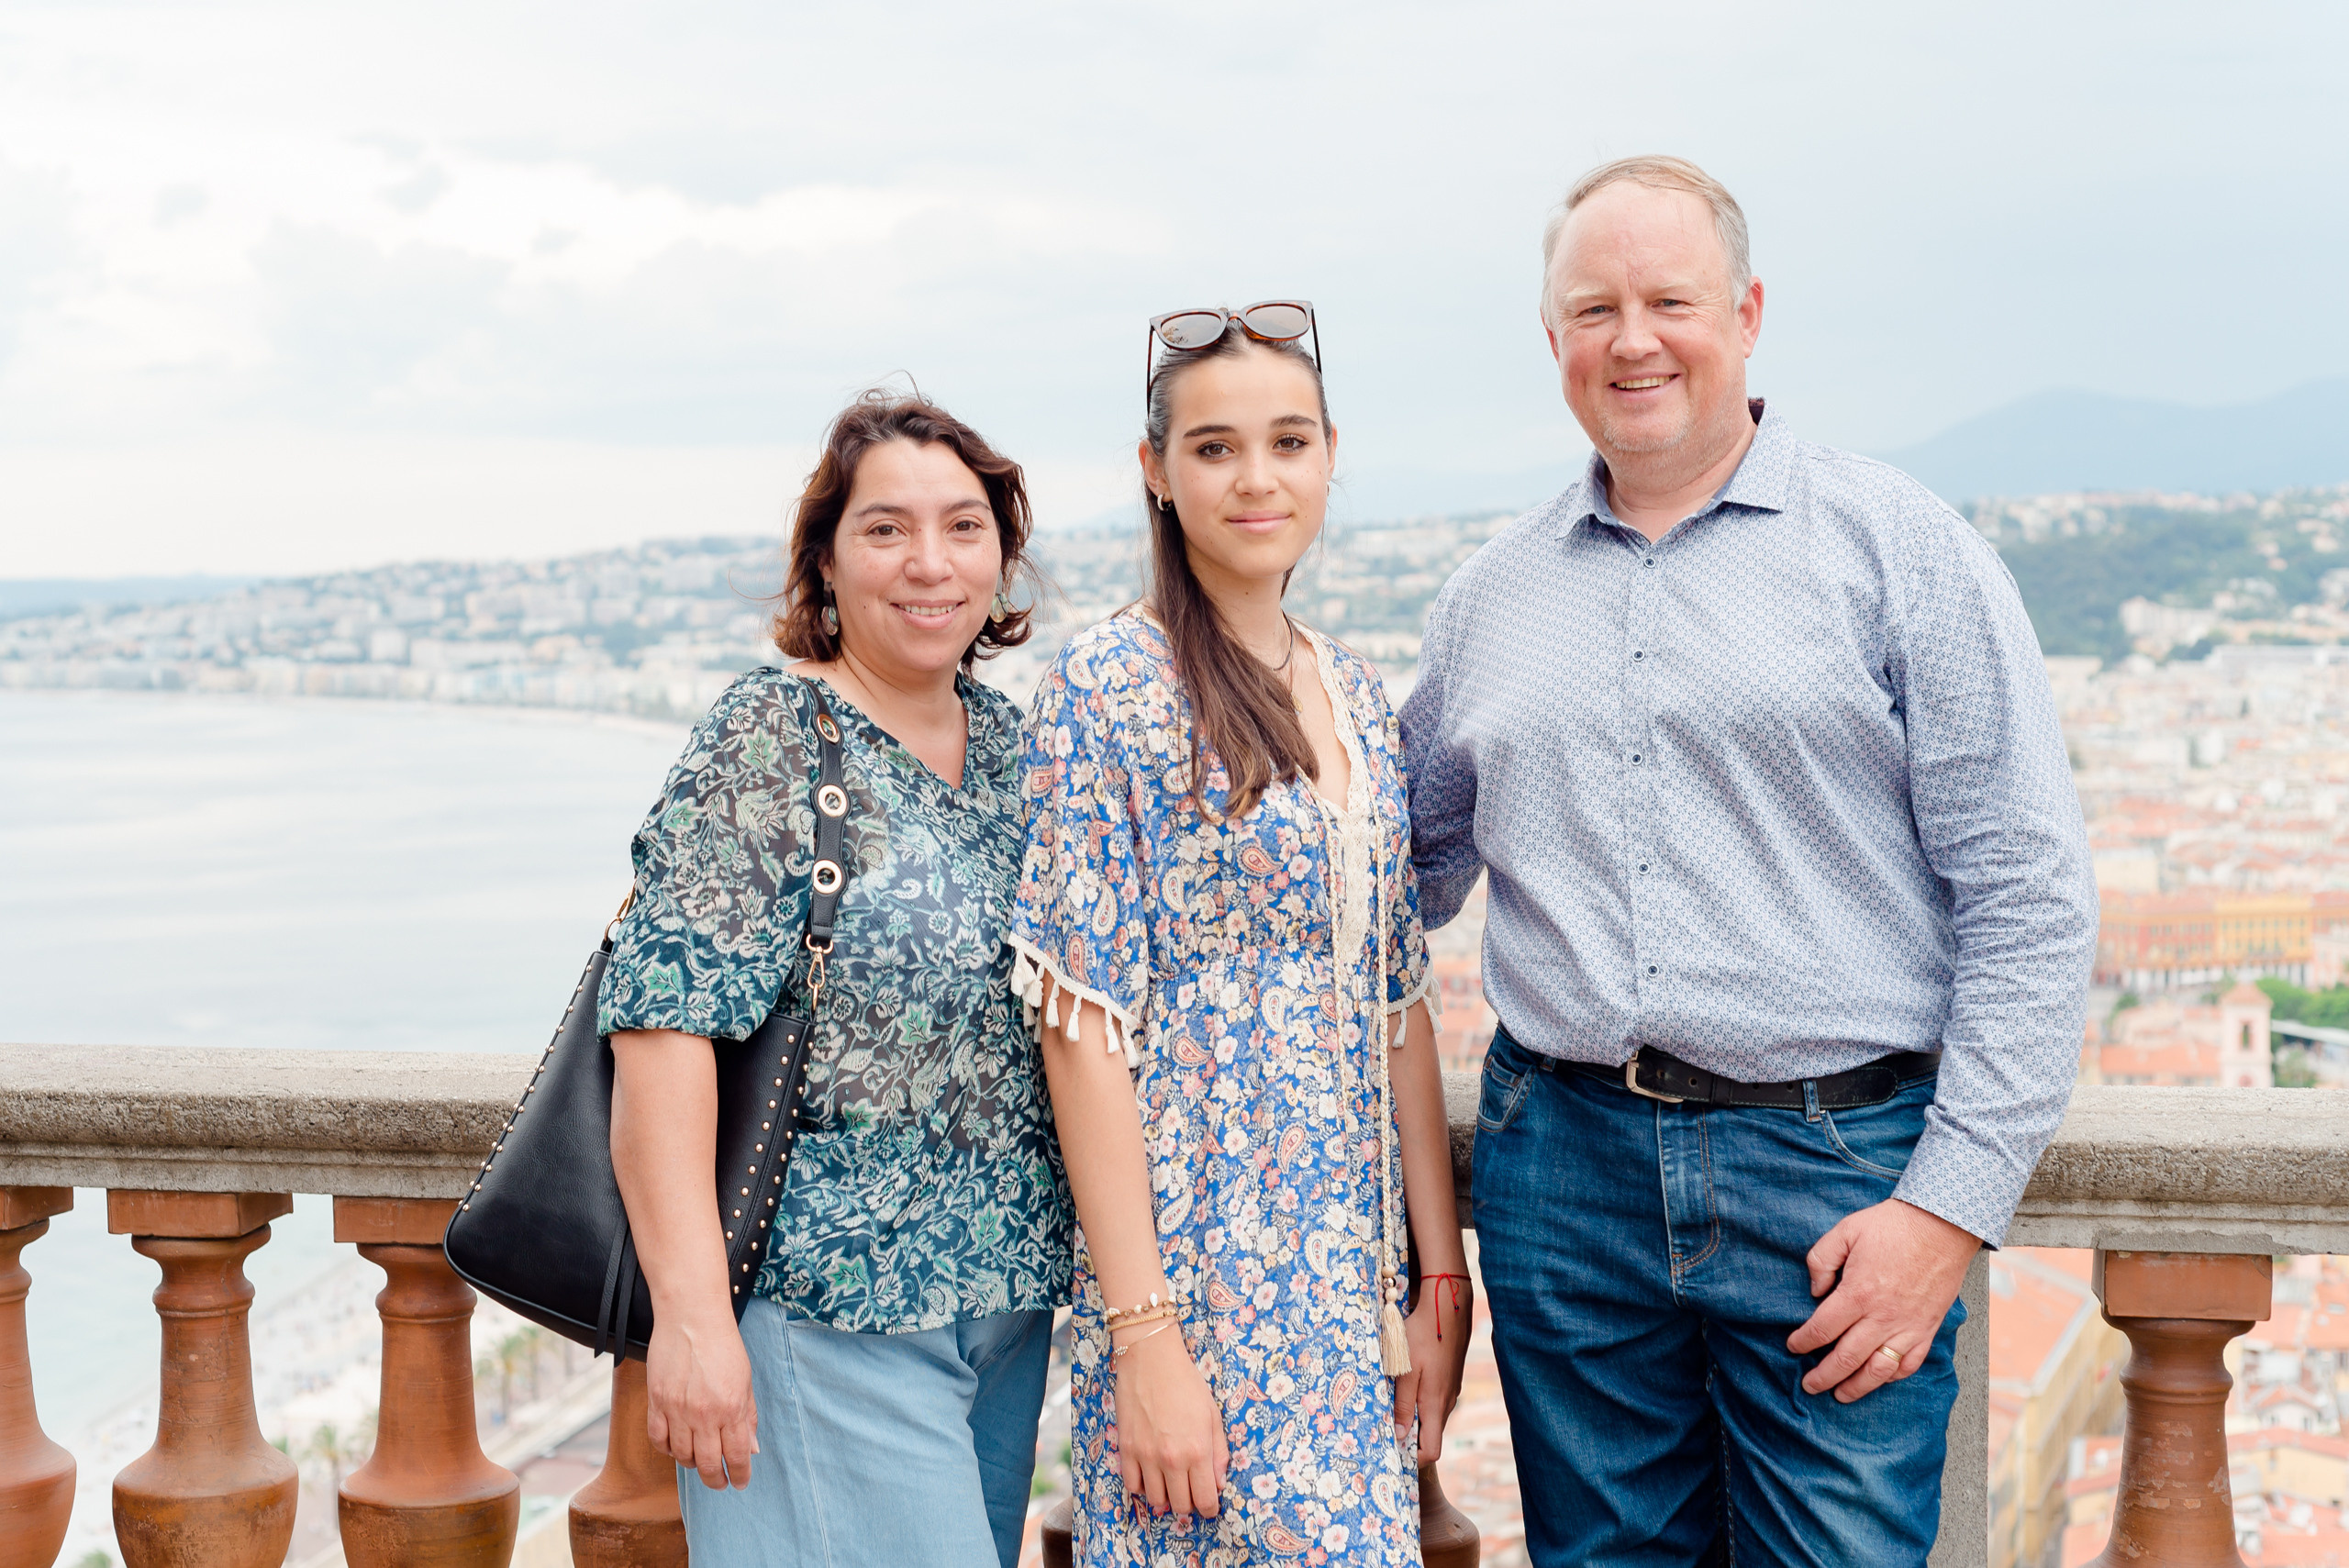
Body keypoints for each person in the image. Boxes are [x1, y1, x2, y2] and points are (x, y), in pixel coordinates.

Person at [1399, 156, 2099, 1566]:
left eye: (1672, 300)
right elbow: (1384, 882)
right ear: (1554, 346)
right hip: (1565, 1172)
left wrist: (1947, 1212)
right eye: (1594, 309)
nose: (1634, 339)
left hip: (1837, 1172)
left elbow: (2026, 895)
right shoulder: (1491, 600)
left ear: (1749, 313)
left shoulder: (1897, 548)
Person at [1011, 303, 1473, 1568]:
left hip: (1351, 1299)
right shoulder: (1105, 688)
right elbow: (1080, 1031)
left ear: (1331, 454)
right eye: (1214, 448)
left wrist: (1440, 1278)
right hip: (1202, 1285)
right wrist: (1146, 1337)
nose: (1256, 478)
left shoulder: (1360, 694)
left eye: (1286, 441)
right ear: (1156, 472)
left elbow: (1398, 1003)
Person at [597, 390, 1074, 1568]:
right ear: (825, 560)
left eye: (964, 527)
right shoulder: (773, 736)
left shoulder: (1016, 749)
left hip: (1003, 1316)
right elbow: (661, 1029)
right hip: (827, 1313)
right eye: (885, 529)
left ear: (1002, 555)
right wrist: (696, 1321)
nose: (930, 563)